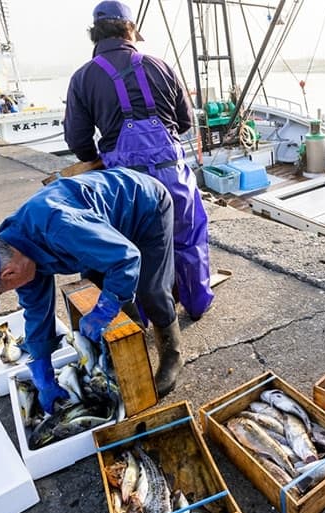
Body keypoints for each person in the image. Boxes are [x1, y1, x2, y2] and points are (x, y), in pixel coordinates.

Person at [0, 168, 186, 412]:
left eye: (0, 291)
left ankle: (172, 356)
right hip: (97, 226)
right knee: (100, 284)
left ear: (9, 274)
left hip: (144, 206)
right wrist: (41, 366)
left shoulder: (59, 227)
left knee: (151, 291)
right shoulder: (12, 253)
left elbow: (126, 258)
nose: (4, 294)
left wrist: (106, 309)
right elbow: (37, 310)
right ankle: (130, 341)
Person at [63, 0, 214, 321]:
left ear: (95, 34)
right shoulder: (161, 66)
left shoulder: (82, 78)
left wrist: (98, 157)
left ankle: (145, 320)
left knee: (136, 250)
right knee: (188, 238)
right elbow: (185, 122)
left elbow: (78, 141)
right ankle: (197, 303)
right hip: (173, 173)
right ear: (130, 29)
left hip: (125, 186)